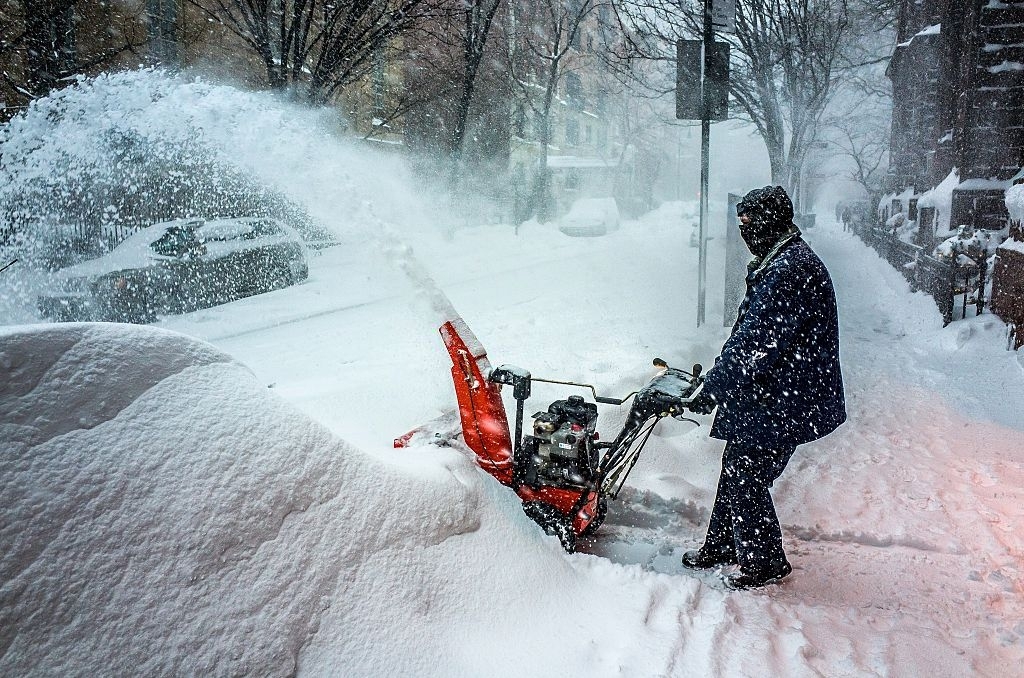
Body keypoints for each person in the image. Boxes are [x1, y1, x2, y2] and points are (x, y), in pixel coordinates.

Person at [683, 185, 847, 590]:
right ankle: (724, 544)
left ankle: (765, 562)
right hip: (775, 390)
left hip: (786, 396)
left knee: (746, 474)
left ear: (769, 222)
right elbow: (752, 339)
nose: (744, 230)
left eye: (749, 222)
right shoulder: (783, 259)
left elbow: (755, 342)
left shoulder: (788, 270)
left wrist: (714, 387)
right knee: (737, 464)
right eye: (740, 222)